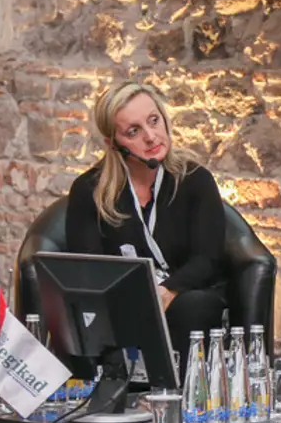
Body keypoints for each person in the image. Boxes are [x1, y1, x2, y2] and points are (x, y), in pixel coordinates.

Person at [65, 81, 228, 370]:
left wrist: (166, 290)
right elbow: (88, 268)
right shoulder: (88, 190)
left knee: (195, 307)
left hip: (182, 293)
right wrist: (135, 297)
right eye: (134, 131)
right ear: (113, 144)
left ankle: (179, 397)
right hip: (121, 298)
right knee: (82, 315)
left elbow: (207, 259)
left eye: (154, 121)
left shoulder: (195, 180)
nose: (151, 137)